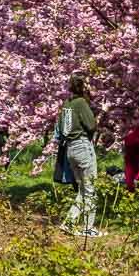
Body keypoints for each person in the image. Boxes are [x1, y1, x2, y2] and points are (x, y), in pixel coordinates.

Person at [58, 74, 104, 238]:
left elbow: (64, 129)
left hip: (71, 149)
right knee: (90, 188)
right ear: (83, 87)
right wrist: (101, 115)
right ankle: (88, 228)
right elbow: (91, 126)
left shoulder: (67, 104)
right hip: (83, 146)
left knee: (82, 190)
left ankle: (69, 223)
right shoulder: (81, 103)